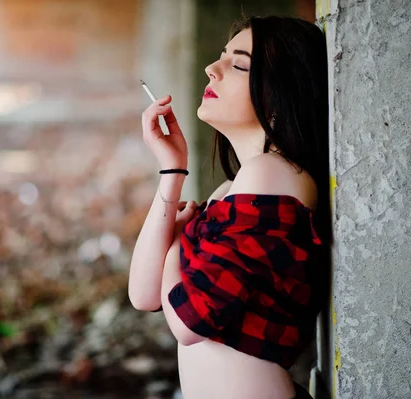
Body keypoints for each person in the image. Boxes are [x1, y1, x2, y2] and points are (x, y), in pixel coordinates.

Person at [128, 15, 331, 399]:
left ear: (280, 95)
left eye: (238, 65)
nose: (211, 68)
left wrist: (176, 244)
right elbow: (144, 294)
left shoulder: (273, 176)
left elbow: (190, 321)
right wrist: (172, 171)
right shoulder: (233, 188)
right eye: (223, 56)